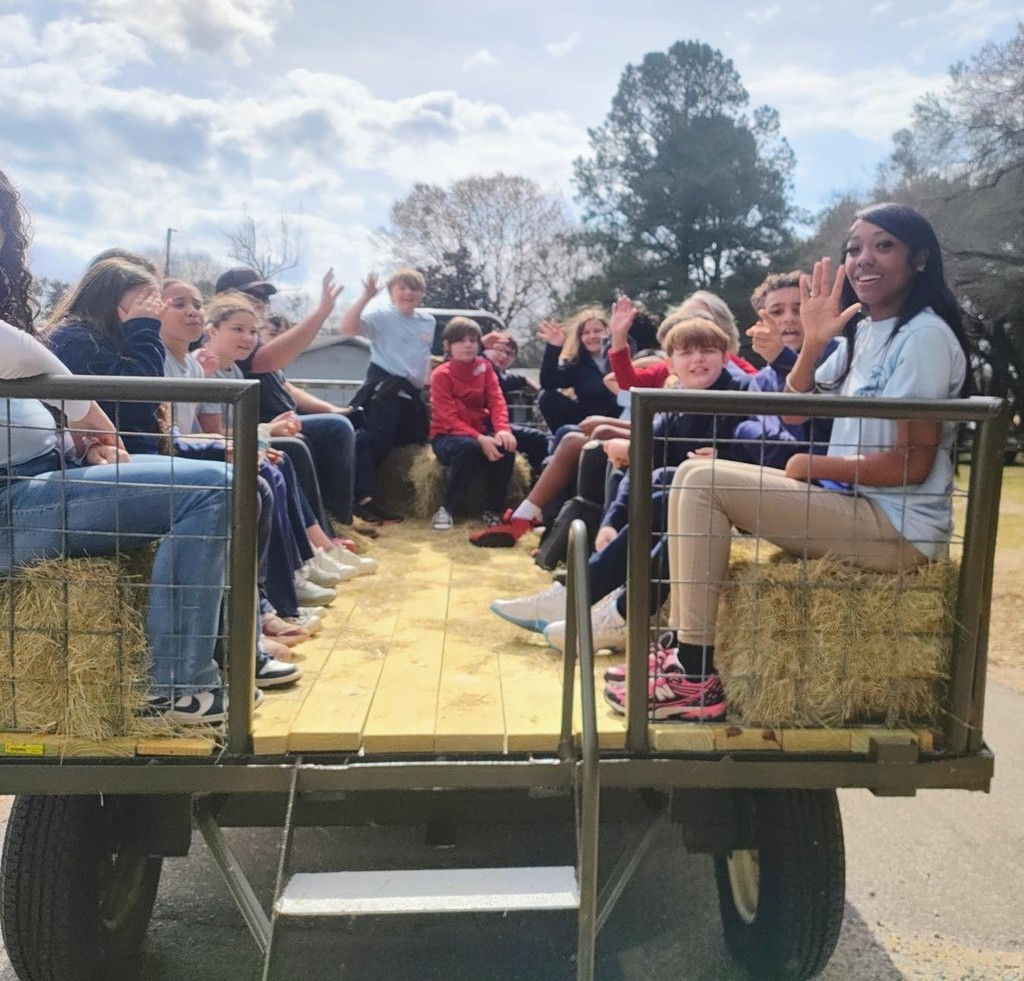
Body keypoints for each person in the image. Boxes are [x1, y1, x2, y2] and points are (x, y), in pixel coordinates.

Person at [610, 203, 972, 722]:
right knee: (691, 475)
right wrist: (813, 343)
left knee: (702, 481)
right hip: (853, 507)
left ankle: (692, 675)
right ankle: (684, 661)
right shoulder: (865, 331)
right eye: (854, 249)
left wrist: (814, 467)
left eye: (883, 245)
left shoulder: (925, 337)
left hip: (896, 529)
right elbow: (794, 410)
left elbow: (910, 467)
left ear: (918, 257)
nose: (864, 258)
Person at [0, 167, 247, 724]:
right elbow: (23, 359)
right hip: (11, 504)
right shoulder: (61, 337)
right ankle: (178, 688)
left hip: (46, 472)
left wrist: (81, 440)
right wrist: (84, 411)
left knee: (236, 479)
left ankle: (228, 658)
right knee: (214, 489)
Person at [490, 317, 751, 650]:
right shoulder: (675, 405)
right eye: (686, 353)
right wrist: (612, 520)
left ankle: (598, 605)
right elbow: (643, 459)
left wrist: (725, 456)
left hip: (742, 505)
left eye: (707, 351)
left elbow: (770, 448)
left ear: (726, 356)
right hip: (695, 506)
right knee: (664, 487)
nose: (697, 359)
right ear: (670, 364)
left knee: (674, 486)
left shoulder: (743, 393)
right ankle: (597, 605)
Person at [219, 268, 357, 530]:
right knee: (323, 434)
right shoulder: (235, 340)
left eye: (264, 297)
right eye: (251, 294)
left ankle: (339, 520)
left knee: (341, 424)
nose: (260, 301)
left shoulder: (252, 339)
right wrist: (321, 313)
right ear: (224, 298)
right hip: (262, 424)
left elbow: (287, 386)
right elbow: (267, 360)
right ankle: (326, 530)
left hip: (284, 419)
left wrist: (332, 408)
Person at [339, 268, 435, 524]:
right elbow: (347, 328)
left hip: (413, 394)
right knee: (375, 443)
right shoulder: (380, 316)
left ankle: (390, 498)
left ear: (421, 294)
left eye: (414, 288)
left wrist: (428, 383)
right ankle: (362, 499)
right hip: (384, 390)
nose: (408, 293)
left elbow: (422, 356)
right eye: (402, 287)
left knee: (413, 443)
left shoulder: (428, 321)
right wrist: (365, 297)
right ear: (392, 292)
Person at [429, 318, 516, 531]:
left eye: (472, 340)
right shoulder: (441, 374)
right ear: (448, 346)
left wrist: (503, 429)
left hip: (479, 431)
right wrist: (479, 438)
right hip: (446, 435)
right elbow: (448, 418)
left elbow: (496, 400)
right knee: (468, 448)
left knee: (506, 447)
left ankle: (493, 509)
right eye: (460, 340)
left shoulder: (485, 367)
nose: (468, 345)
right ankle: (448, 509)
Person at [536, 308, 621, 432]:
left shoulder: (622, 356)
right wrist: (553, 347)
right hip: (588, 423)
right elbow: (548, 383)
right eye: (586, 333)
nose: (592, 336)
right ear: (580, 338)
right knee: (547, 398)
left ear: (608, 332)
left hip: (620, 421)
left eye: (597, 331)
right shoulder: (577, 364)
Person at [480, 331, 548, 480]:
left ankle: (535, 481)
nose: (504, 356)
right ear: (486, 348)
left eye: (510, 354)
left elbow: (512, 378)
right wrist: (480, 344)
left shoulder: (502, 374)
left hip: (494, 427)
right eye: (499, 350)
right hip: (474, 427)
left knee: (538, 439)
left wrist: (530, 383)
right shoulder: (476, 364)